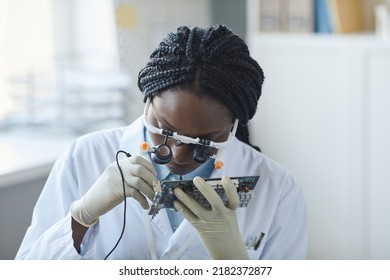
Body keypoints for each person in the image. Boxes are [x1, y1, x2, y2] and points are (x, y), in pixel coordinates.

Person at [15, 24, 307, 260]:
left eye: (204, 142)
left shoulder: (277, 188)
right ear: (147, 103)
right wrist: (81, 218)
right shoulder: (84, 157)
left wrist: (234, 263)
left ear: (232, 127)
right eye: (165, 130)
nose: (180, 155)